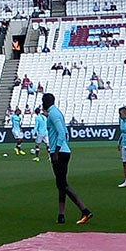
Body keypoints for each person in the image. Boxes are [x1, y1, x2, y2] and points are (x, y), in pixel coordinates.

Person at [40, 93, 89, 225]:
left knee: (62, 184)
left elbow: (61, 132)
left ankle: (84, 210)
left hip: (60, 152)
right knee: (61, 184)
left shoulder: (53, 114)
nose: (42, 103)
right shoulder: (55, 113)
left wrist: (56, 151)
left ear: (47, 101)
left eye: (43, 101)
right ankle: (61, 215)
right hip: (63, 150)